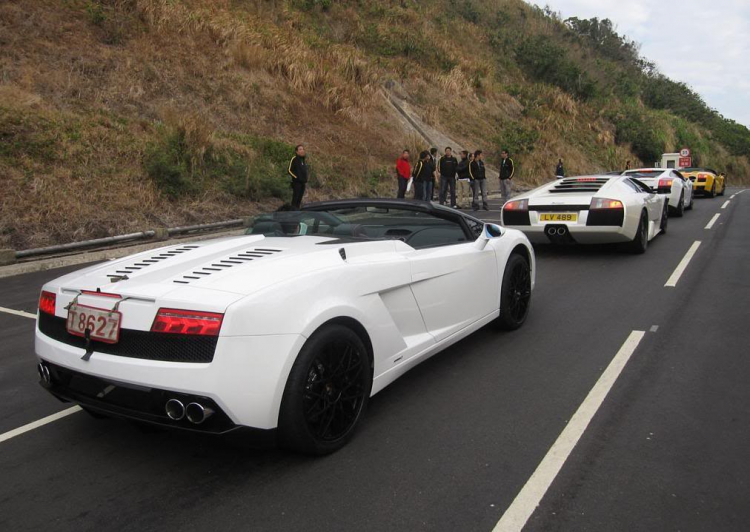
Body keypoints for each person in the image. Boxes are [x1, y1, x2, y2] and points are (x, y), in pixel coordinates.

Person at [288, 144, 308, 209]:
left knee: (299, 199)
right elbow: (289, 170)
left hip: (303, 182)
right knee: (295, 198)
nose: (302, 150)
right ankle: (292, 211)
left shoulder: (303, 160)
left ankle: (297, 211)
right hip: (296, 182)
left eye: (303, 149)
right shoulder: (294, 159)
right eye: (300, 149)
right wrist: (296, 177)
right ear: (297, 151)